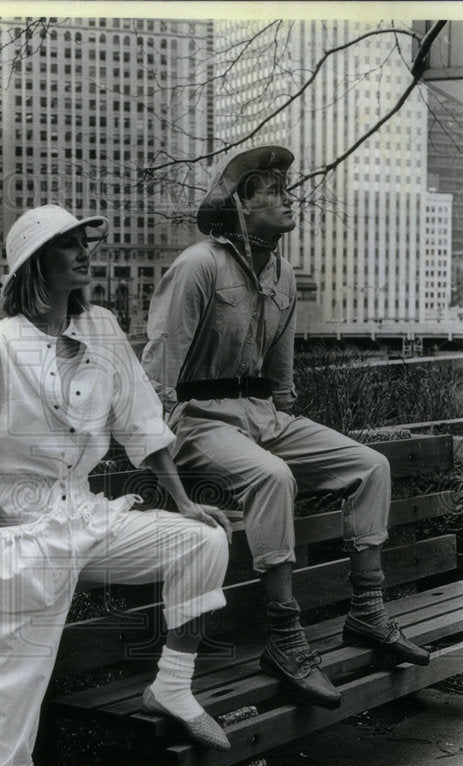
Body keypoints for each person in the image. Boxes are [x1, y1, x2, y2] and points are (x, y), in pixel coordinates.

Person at [0, 205, 233, 766]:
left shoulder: (99, 329)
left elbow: (140, 423)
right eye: (68, 246)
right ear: (37, 264)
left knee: (204, 541)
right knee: (11, 686)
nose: (85, 253)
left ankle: (173, 686)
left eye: (83, 241)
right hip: (21, 533)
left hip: (87, 515)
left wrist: (182, 500)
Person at [141, 145, 430, 712]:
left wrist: (287, 416)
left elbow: (281, 372)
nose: (285, 196)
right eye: (268, 189)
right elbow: (159, 364)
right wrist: (161, 460)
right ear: (240, 207)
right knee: (272, 478)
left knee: (371, 465)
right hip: (201, 420)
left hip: (265, 417)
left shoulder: (282, 271)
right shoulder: (200, 265)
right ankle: (286, 638)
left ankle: (367, 613)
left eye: (284, 186)